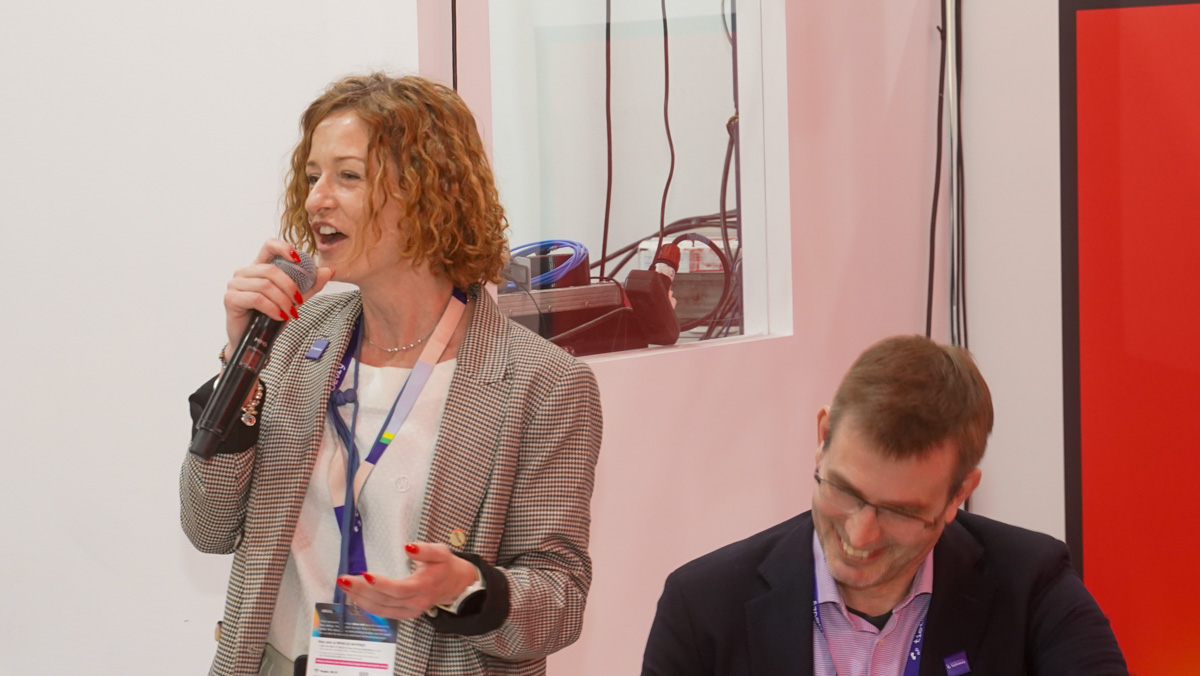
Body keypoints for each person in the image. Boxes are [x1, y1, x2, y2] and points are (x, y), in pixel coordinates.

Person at [181, 73, 602, 676]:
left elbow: (559, 601)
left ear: (430, 194)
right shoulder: (294, 335)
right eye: (312, 176)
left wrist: (466, 588)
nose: (316, 200)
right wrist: (240, 361)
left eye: (348, 176)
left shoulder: (541, 381)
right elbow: (208, 526)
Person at [641, 335, 1127, 675]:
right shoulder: (703, 607)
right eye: (845, 492)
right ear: (823, 437)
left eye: (900, 512)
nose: (860, 534)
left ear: (959, 494)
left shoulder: (1031, 587)